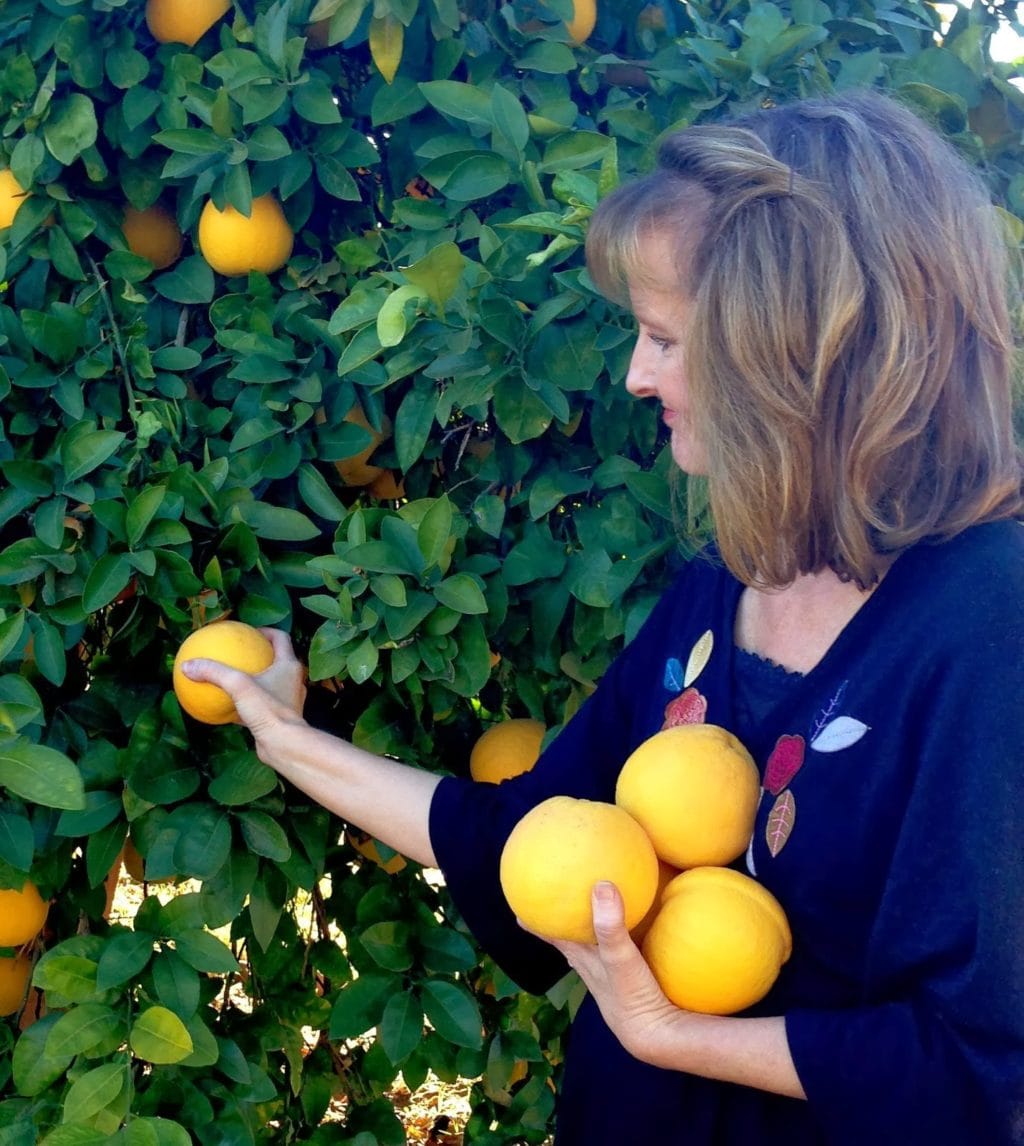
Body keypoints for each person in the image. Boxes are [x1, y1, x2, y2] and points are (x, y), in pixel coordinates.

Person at [181, 89, 1024, 1144]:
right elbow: (517, 837)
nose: (635, 374)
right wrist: (284, 735)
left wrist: (674, 1035)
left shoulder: (988, 622)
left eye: (666, 338)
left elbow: (982, 1069)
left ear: (795, 354)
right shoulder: (724, 593)